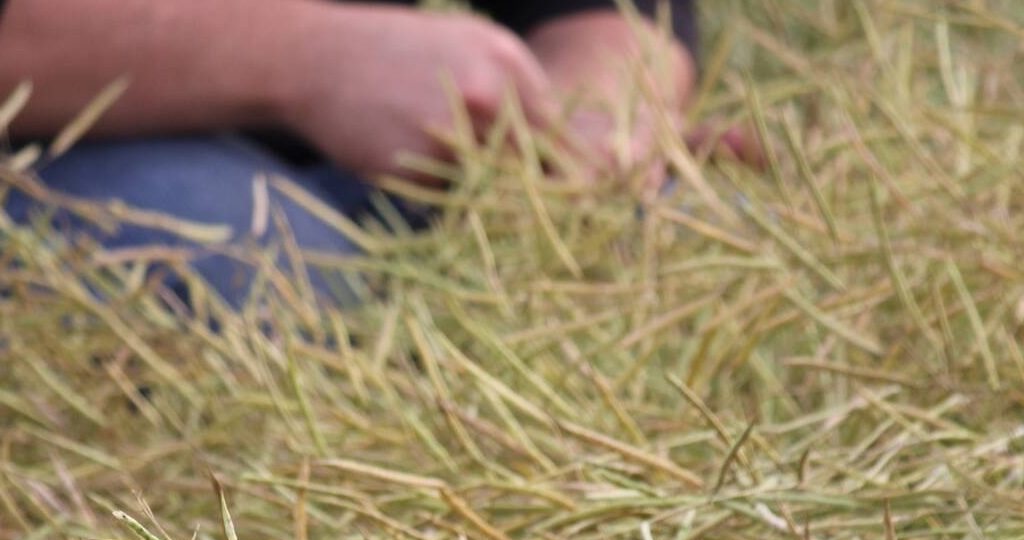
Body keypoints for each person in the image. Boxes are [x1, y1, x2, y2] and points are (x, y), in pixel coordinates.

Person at [0, 0, 699, 308]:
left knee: (685, 239)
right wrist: (304, 61)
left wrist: (591, 123)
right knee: (255, 264)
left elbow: (615, 21)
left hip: (384, 167)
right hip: (66, 140)